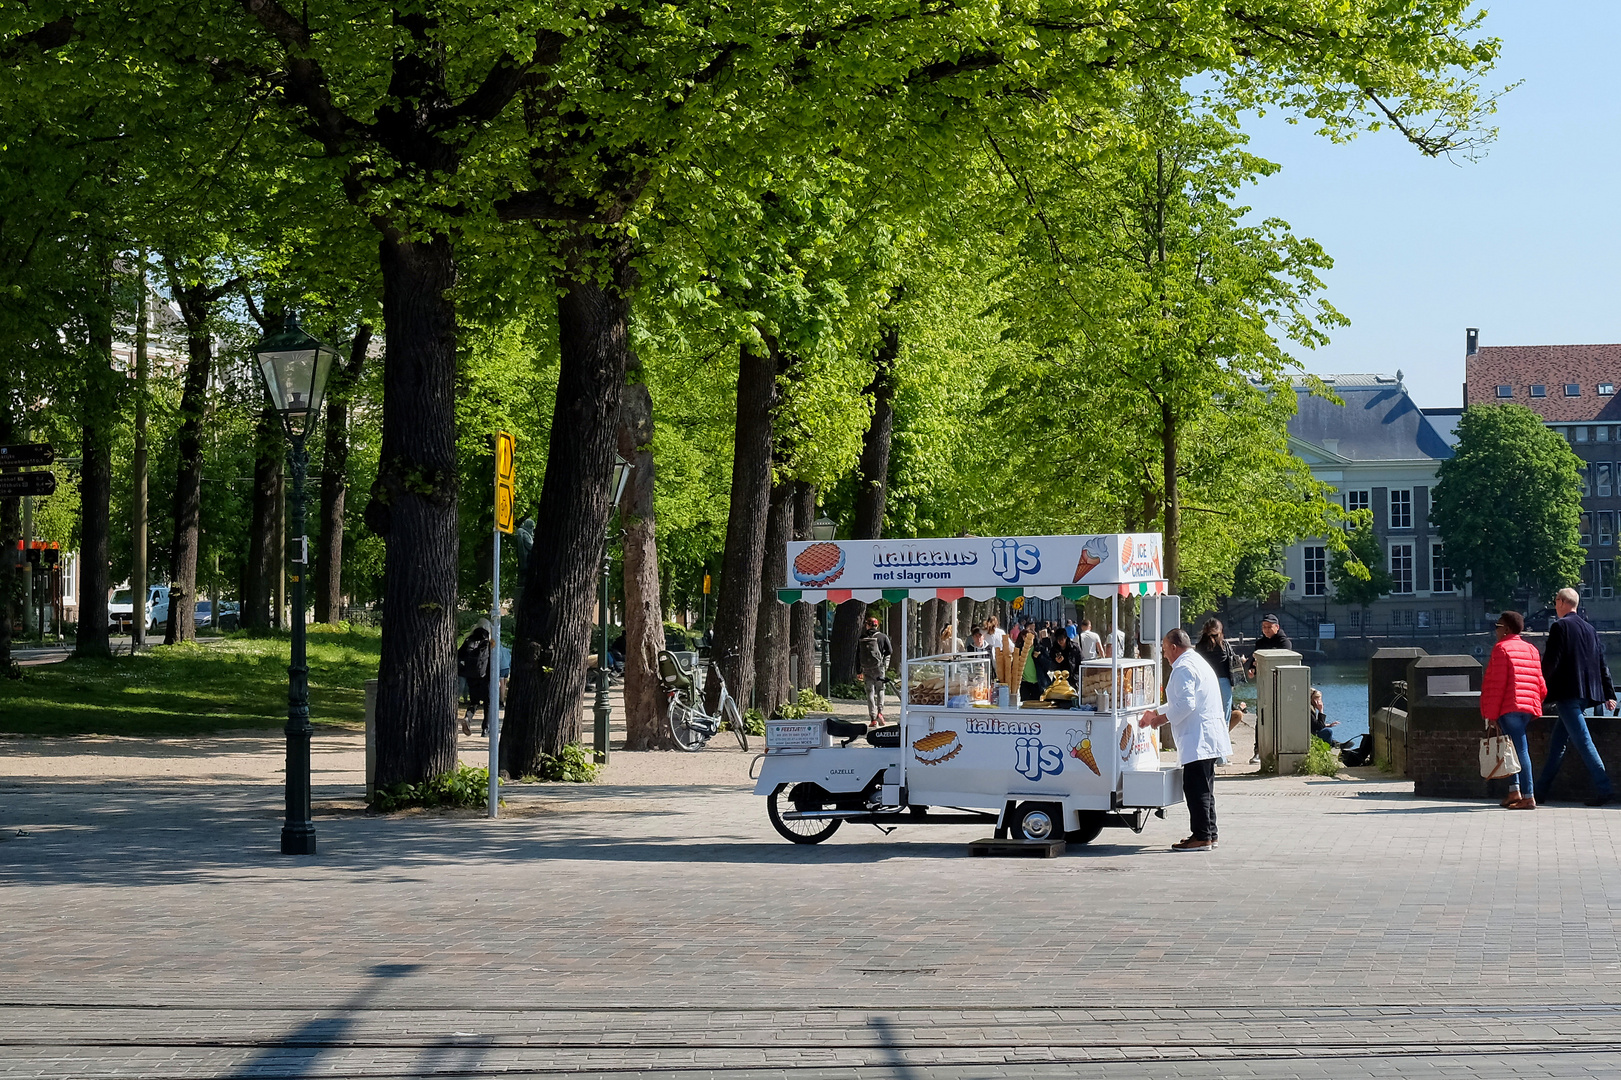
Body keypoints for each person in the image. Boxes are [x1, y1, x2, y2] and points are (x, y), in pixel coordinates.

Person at [1140, 627, 1233, 852]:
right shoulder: (1196, 661)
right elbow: (1183, 702)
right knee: (1205, 787)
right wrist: (1156, 711)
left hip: (1198, 737)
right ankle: (1209, 833)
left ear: (1174, 647)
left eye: (1164, 649)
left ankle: (1202, 835)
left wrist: (1160, 719)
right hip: (1205, 735)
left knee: (1196, 788)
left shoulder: (1183, 667)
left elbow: (1186, 704)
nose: (1164, 654)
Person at [1538, 587, 1617, 806]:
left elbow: (1551, 662)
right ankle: (1540, 791)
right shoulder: (1590, 629)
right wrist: (1609, 693)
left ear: (1563, 602)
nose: (1555, 605)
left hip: (1567, 693)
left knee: (1583, 741)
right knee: (1558, 745)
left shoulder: (1560, 627)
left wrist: (1539, 688)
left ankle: (1605, 788)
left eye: (1556, 601)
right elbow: (1602, 664)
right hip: (1586, 693)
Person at [1480, 609, 1546, 810]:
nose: (1495, 631)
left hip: (1509, 708)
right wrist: (1535, 703)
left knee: (1519, 750)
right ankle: (1514, 791)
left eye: (1497, 626)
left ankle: (1528, 796)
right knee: (1512, 750)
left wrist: (1490, 714)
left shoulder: (1502, 649)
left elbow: (1496, 685)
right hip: (1526, 707)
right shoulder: (1531, 650)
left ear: (1506, 629)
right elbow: (1541, 684)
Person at [1193, 618, 1239, 720]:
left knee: (1208, 712)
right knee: (1225, 712)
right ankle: (1224, 733)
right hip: (1223, 682)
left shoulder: (1199, 646)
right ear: (1220, 630)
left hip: (1205, 682)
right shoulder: (1224, 645)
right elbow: (1232, 661)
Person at [455, 624, 491, 736]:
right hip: (486, 677)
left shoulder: (469, 640)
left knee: (474, 701)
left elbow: (458, 655)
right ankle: (485, 728)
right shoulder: (489, 643)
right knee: (487, 703)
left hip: (471, 676)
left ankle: (467, 718)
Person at [857, 617, 893, 724]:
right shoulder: (883, 636)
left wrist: (859, 671)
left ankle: (872, 718)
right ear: (877, 625)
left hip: (866, 668)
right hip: (879, 668)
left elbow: (858, 656)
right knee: (880, 689)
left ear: (867, 626)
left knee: (870, 692)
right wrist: (882, 657)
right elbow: (890, 650)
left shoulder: (862, 638)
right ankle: (880, 712)